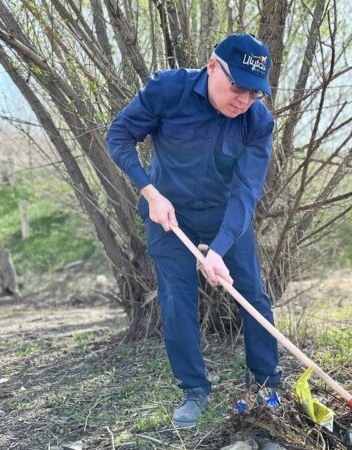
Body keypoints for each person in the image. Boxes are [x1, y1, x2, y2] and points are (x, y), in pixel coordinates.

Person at [106, 33, 281, 428]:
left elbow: (246, 191)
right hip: (167, 213)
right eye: (237, 87)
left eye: (255, 93)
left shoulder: (258, 122)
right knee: (176, 298)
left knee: (252, 292)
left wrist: (218, 249)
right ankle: (194, 389)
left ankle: (269, 383)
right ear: (212, 65)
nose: (243, 100)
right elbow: (118, 137)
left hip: (226, 218)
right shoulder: (168, 90)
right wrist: (150, 192)